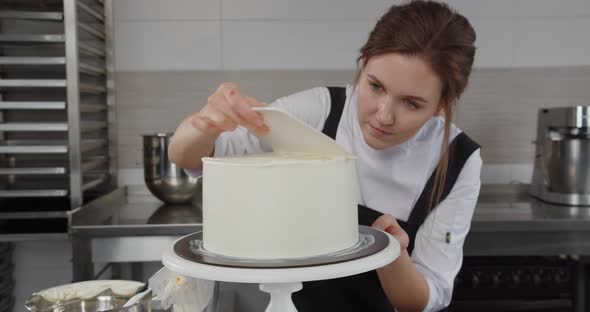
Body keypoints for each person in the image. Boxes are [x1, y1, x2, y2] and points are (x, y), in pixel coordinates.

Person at [168, 1, 481, 311]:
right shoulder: (320, 111)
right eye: (374, 86)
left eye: (411, 103)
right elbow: (188, 157)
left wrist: (392, 255)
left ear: (443, 104)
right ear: (363, 62)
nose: (384, 115)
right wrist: (204, 125)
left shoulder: (457, 159)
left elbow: (426, 298)